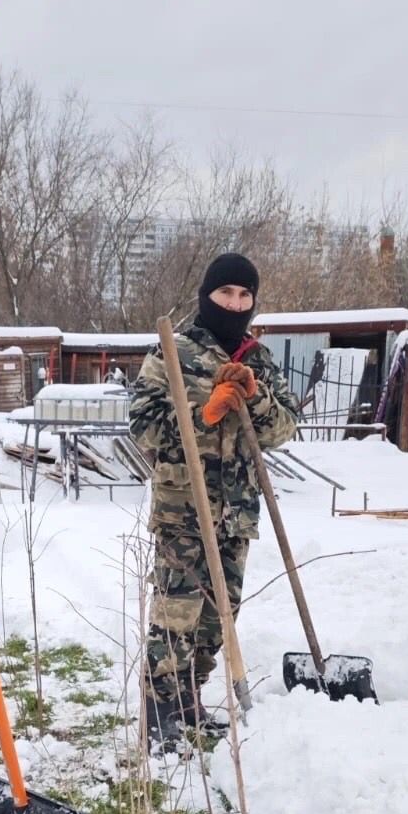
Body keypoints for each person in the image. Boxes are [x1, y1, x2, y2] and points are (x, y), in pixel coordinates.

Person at [129, 253, 298, 746]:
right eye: (226, 293)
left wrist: (256, 397)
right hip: (184, 507)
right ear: (207, 295)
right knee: (175, 613)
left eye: (245, 296)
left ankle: (190, 702)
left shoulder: (258, 360)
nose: (235, 303)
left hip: (237, 511)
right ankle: (160, 715)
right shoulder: (173, 351)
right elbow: (143, 424)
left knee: (216, 619)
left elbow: (283, 429)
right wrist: (203, 416)